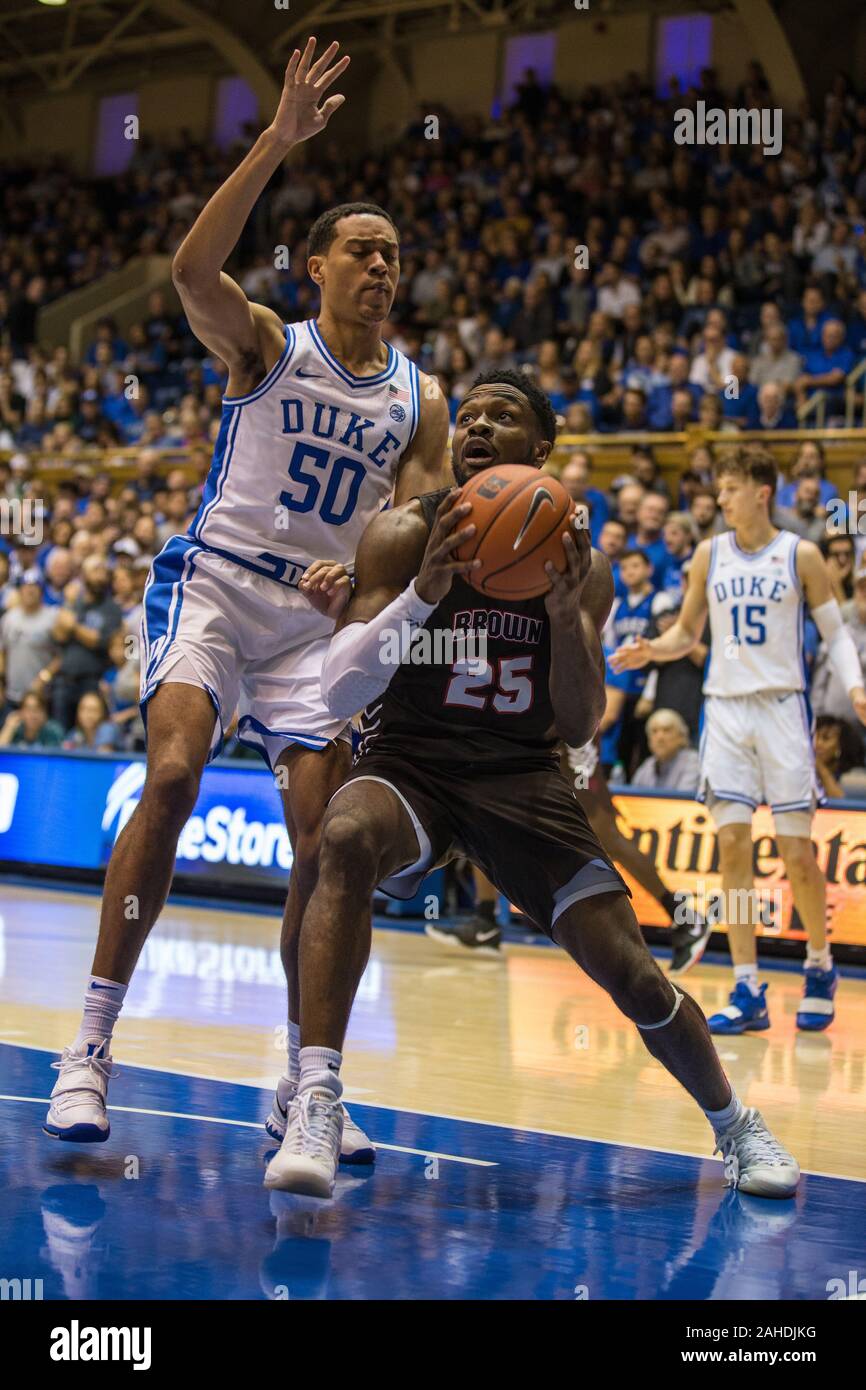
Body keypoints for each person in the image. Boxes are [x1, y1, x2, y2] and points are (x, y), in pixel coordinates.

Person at [44, 38, 450, 1156]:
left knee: (325, 843)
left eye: (392, 254)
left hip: (317, 633)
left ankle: (303, 1084)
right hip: (220, 586)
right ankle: (87, 1048)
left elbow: (418, 547)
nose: (379, 265)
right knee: (170, 775)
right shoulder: (267, 342)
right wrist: (277, 139)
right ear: (312, 265)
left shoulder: (421, 399)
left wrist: (364, 592)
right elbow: (186, 274)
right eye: (360, 250)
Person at [263, 369, 799, 1202]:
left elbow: (581, 721)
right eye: (468, 415)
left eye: (501, 417)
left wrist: (559, 618)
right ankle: (316, 1098)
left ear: (541, 450)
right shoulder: (405, 535)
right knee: (342, 833)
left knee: (631, 971)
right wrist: (421, 597)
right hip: (414, 762)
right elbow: (336, 693)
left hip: (523, 778)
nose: (476, 426)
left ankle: (737, 1126)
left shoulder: (584, 569)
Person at [613, 444, 866, 1034]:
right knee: (732, 850)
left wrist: (855, 687)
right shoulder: (708, 554)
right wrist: (654, 649)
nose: (717, 499)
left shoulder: (800, 554)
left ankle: (820, 964)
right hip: (724, 711)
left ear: (760, 491)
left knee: (797, 850)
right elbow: (686, 631)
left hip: (781, 709)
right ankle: (748, 985)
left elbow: (835, 634)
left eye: (727, 489)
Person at [631, 709, 700, 793]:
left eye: (666, 730)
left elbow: (683, 802)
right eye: (654, 731)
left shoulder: (693, 762)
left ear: (681, 736)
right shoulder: (648, 765)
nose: (660, 737)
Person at [0, 690, 64, 749]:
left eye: (37, 710)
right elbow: (1, 753)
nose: (32, 715)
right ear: (21, 712)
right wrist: (9, 727)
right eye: (28, 709)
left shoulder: (53, 731)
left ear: (44, 713)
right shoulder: (16, 730)